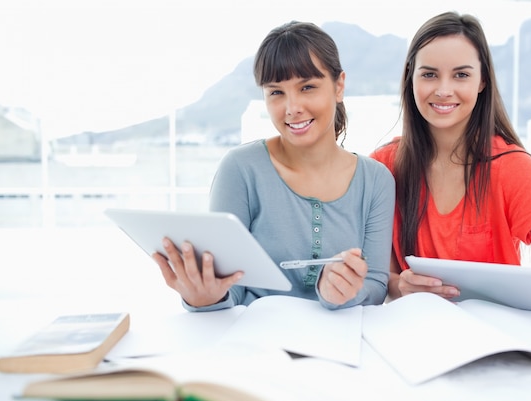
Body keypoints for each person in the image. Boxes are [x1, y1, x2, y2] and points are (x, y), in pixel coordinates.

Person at [370, 11, 531, 350]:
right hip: (416, 344)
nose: (444, 90)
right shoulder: (382, 167)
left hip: (500, 347)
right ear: (410, 78)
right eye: (429, 74)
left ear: (482, 81)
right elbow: (379, 277)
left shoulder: (512, 168)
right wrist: (400, 287)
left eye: (461, 75)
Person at [153, 21, 395, 311]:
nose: (292, 108)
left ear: (339, 85)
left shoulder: (376, 180)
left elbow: (377, 285)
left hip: (343, 341)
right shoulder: (241, 170)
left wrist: (339, 293)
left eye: (307, 87)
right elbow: (231, 288)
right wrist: (206, 297)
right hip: (256, 343)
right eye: (276, 92)